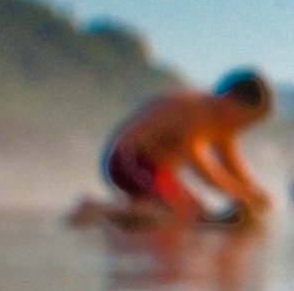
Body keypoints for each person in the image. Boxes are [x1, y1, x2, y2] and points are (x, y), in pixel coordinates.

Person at [100, 70, 274, 225]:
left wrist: (255, 191)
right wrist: (240, 193)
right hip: (127, 160)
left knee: (197, 212)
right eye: (244, 119)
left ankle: (132, 214)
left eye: (249, 123)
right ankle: (97, 212)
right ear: (228, 98)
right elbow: (198, 163)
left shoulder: (225, 124)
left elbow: (230, 162)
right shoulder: (199, 109)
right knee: (175, 212)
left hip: (157, 171)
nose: (243, 127)